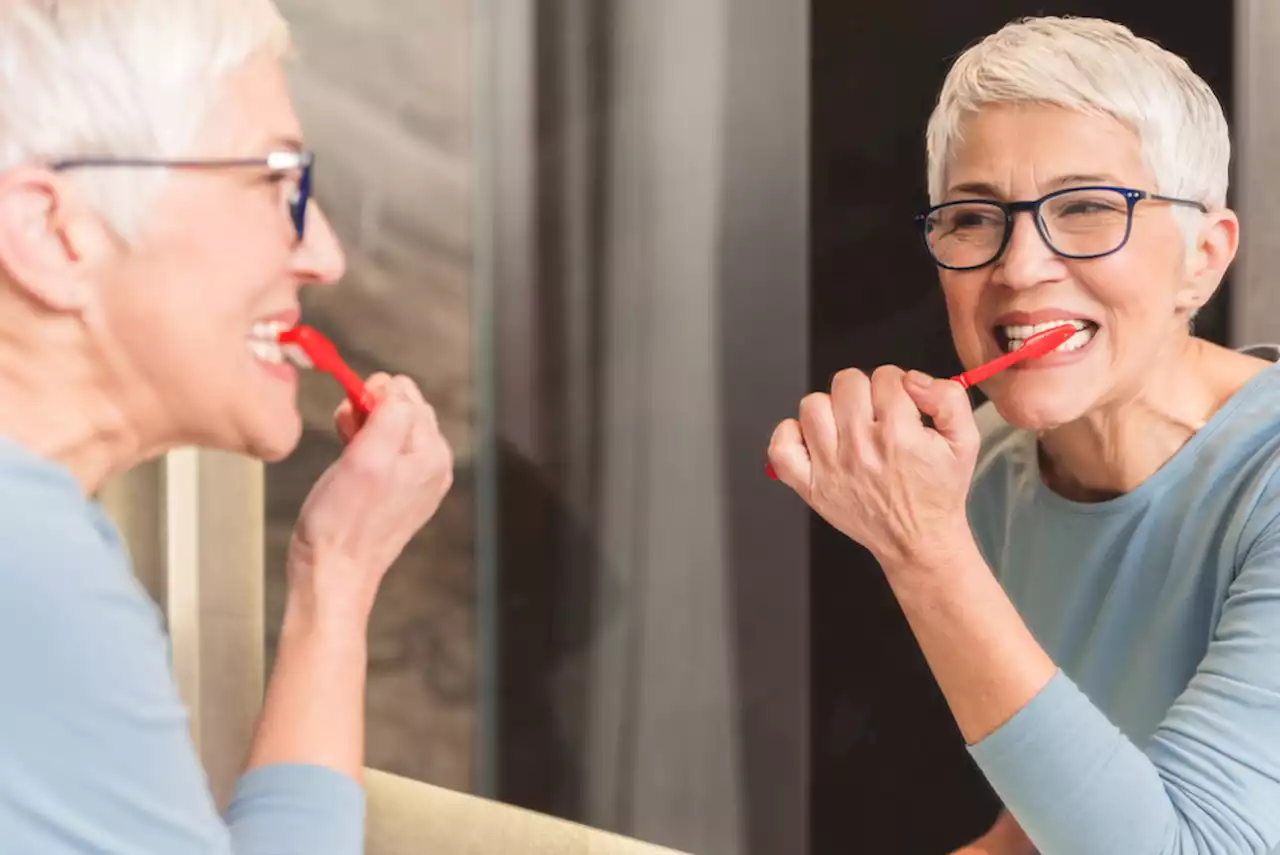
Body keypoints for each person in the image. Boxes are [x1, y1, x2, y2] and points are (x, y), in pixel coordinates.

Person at [768, 16, 1280, 855]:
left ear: (1205, 256)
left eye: (1085, 208)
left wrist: (924, 552)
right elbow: (1051, 826)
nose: (1017, 267)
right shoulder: (991, 468)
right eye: (973, 218)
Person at [0, 1, 453, 852]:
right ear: (53, 233)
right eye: (276, 181)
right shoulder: (29, 574)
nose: (324, 254)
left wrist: (336, 575)